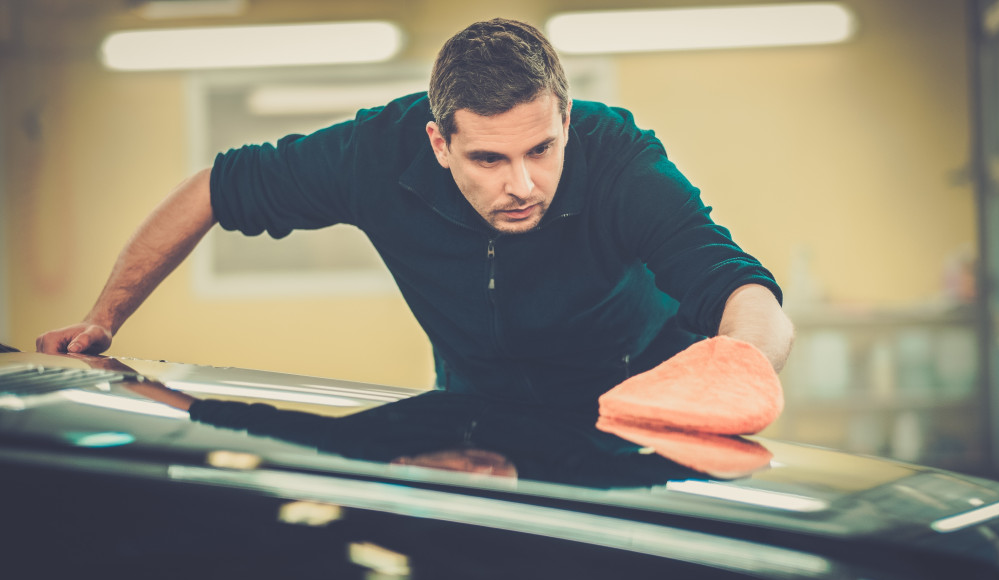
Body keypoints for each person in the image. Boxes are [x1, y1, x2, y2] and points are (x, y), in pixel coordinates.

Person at [36, 17, 793, 413]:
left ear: (564, 116)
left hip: (637, 420)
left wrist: (729, 377)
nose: (523, 183)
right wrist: (104, 318)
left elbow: (743, 293)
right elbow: (214, 188)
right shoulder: (375, 152)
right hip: (477, 420)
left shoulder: (620, 157)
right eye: (488, 161)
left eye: (542, 148)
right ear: (438, 142)